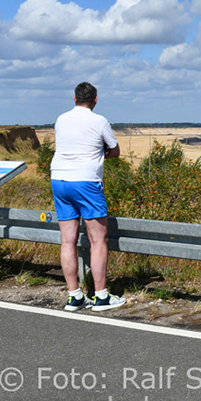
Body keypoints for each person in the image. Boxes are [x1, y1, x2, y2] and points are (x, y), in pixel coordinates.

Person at [51, 82, 126, 312]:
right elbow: (115, 150)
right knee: (97, 240)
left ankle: (74, 296)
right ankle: (101, 296)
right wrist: (101, 153)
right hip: (86, 182)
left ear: (74, 99)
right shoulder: (99, 121)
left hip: (59, 179)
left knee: (67, 240)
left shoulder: (61, 119)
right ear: (95, 100)